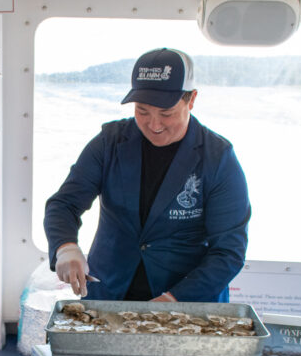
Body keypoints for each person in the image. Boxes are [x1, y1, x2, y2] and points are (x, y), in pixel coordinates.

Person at [44, 48, 250, 302]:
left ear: (191, 99)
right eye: (142, 111)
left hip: (186, 301)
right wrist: (66, 247)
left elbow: (229, 252)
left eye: (166, 113)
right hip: (110, 292)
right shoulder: (109, 142)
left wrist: (174, 300)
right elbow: (64, 204)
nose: (154, 125)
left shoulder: (218, 158)